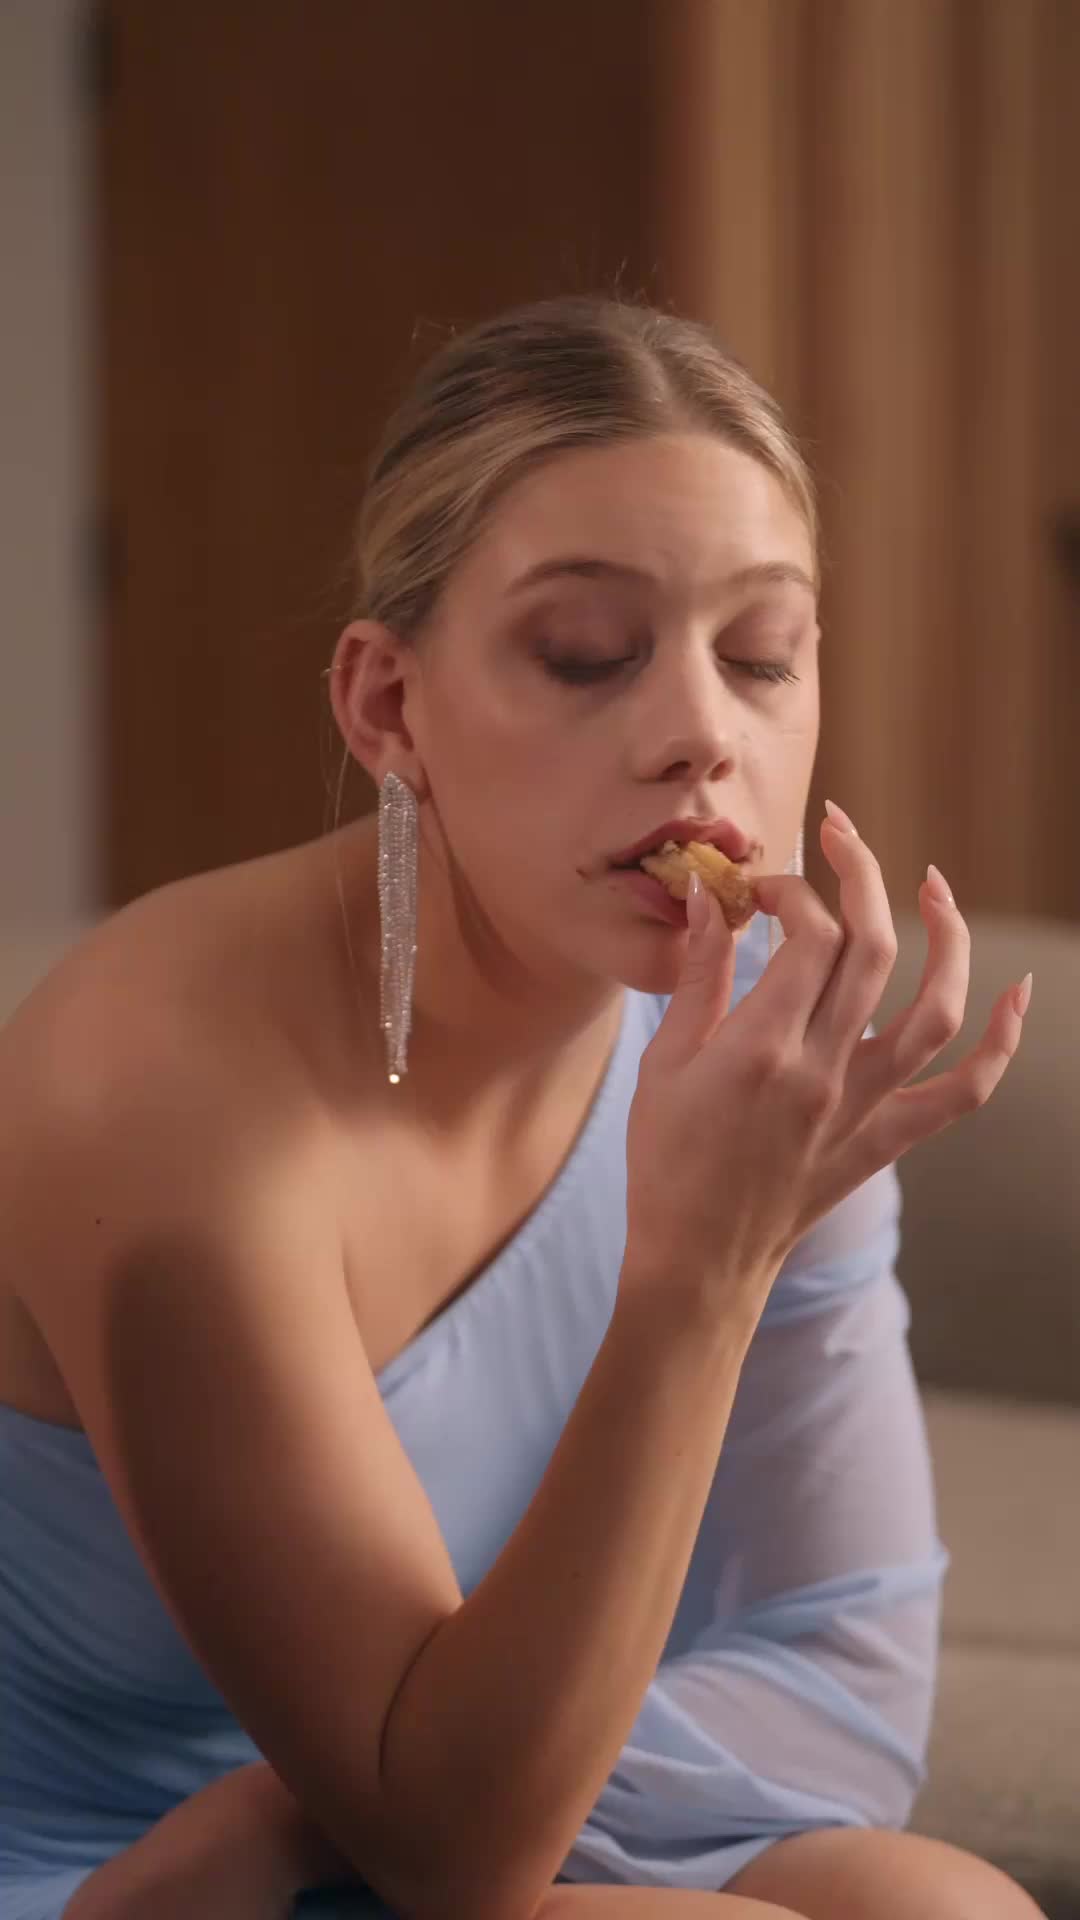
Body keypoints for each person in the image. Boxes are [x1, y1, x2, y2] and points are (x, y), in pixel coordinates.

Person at [0, 295, 1041, 1920]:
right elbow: (455, 1857)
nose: (702, 733)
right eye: (586, 655)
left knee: (939, 1907)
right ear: (387, 707)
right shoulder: (161, 1097)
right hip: (99, 1879)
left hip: (368, 1830)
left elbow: (840, 1674)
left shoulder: (761, 1045)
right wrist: (701, 1269)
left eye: (762, 655)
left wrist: (293, 1822)